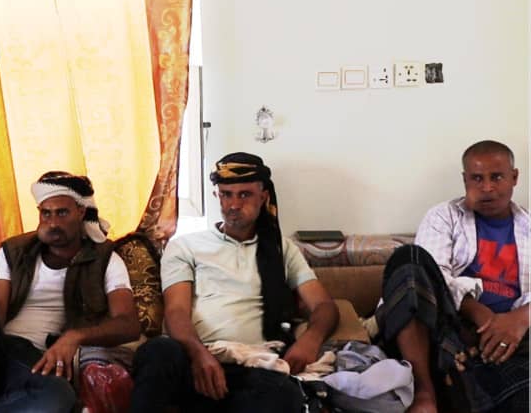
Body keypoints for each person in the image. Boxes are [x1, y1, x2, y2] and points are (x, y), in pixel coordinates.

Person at [130, 152, 338, 413]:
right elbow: (176, 311)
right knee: (158, 352)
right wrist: (199, 355)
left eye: (244, 195)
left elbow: (324, 306)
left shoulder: (281, 249)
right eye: (226, 194)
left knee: (284, 395)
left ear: (263, 197)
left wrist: (310, 340)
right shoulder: (186, 246)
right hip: (196, 358)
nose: (233, 204)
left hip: (253, 364)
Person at [0, 171, 141, 413]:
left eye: (62, 213)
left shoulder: (105, 259)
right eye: (46, 213)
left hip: (36, 360)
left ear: (81, 212)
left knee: (59, 397)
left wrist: (75, 337)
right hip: (0, 347)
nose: (53, 223)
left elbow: (129, 324)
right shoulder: (14, 251)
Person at [375, 140, 529, 413]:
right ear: (465, 180)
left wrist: (520, 318)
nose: (487, 188)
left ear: (514, 177)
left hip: (511, 338)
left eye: (497, 177)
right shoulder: (444, 217)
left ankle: (466, 381)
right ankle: (424, 390)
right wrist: (482, 316)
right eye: (477, 178)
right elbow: (434, 278)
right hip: (447, 323)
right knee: (409, 257)